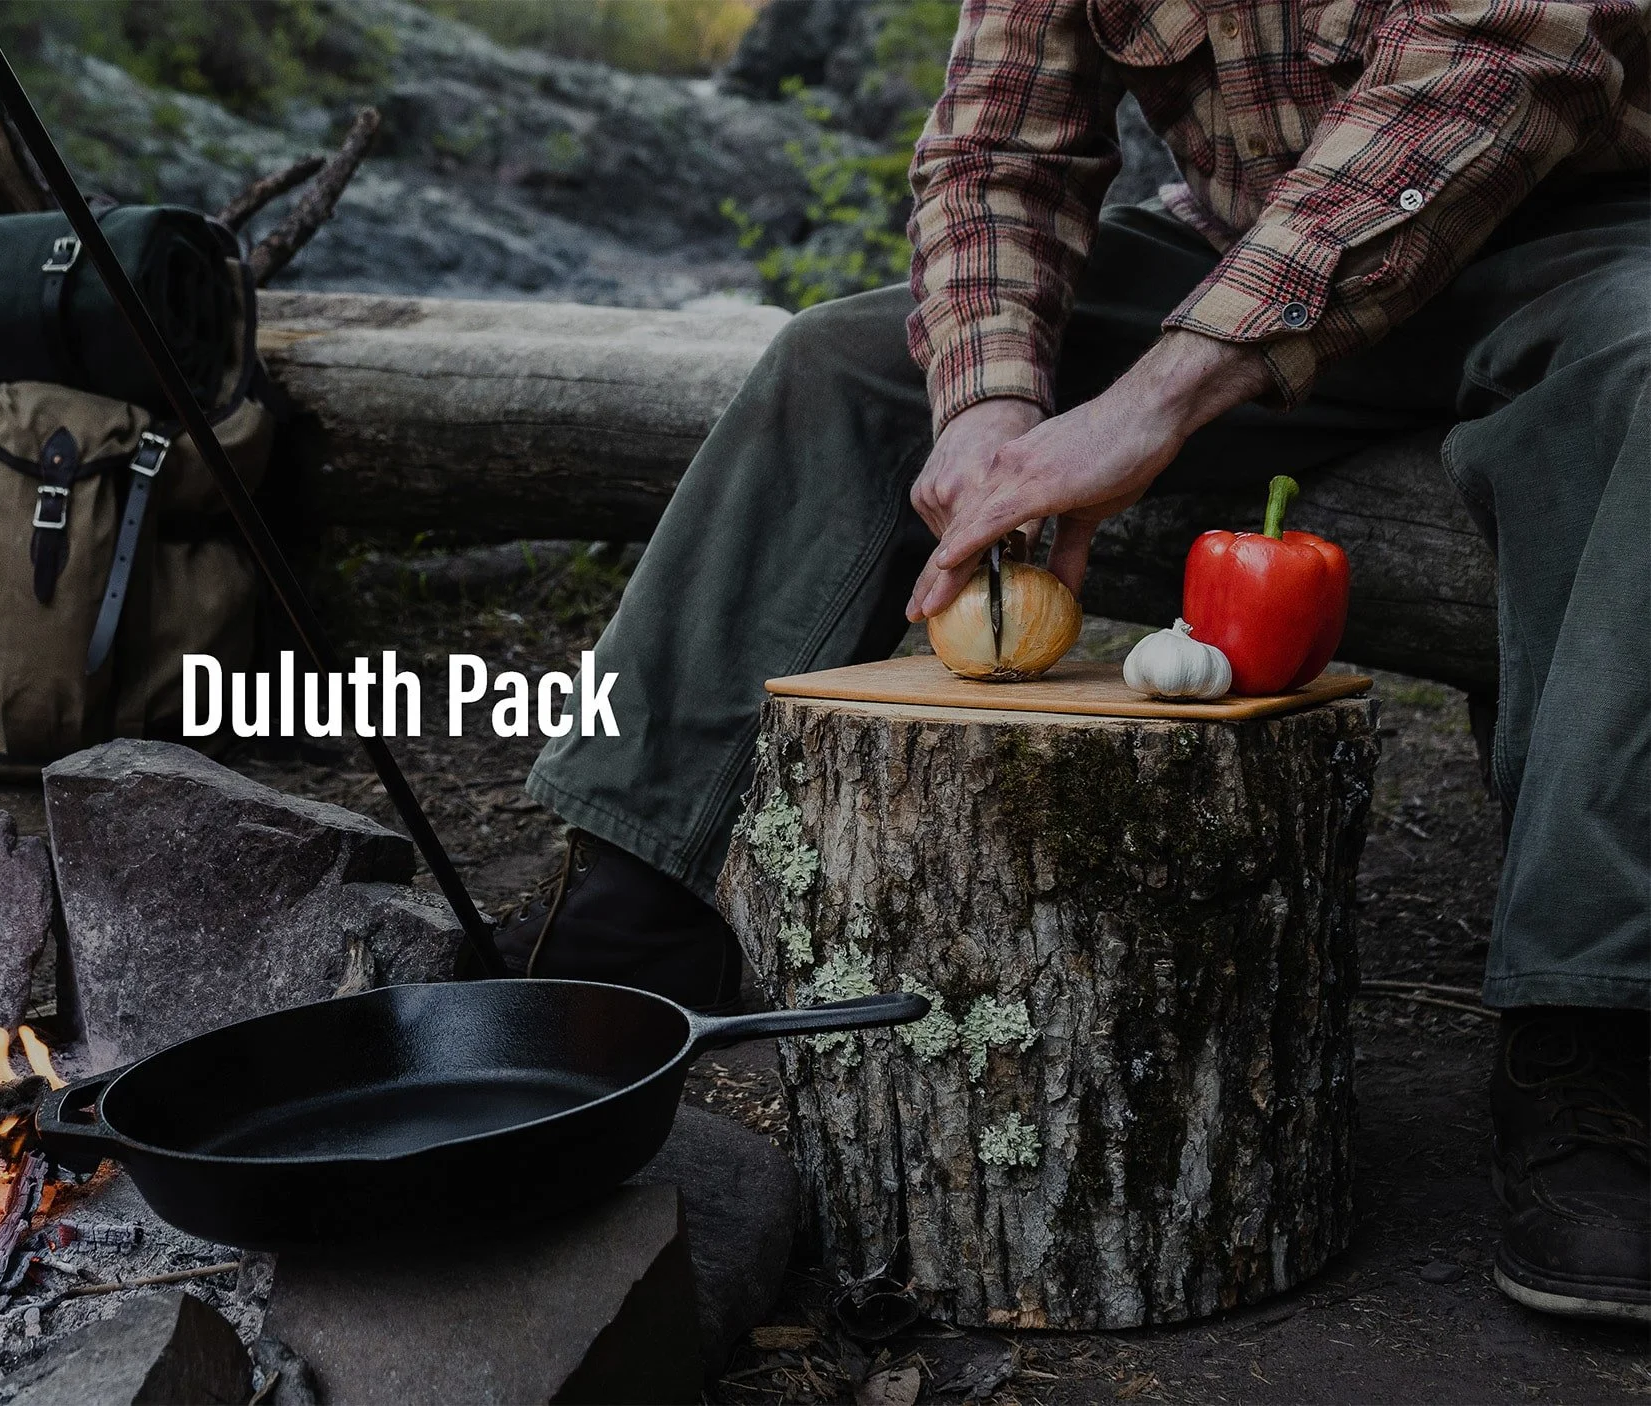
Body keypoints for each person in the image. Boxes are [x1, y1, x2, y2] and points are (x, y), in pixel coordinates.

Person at [500, 0, 1649, 1326]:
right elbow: (999, 144)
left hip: (1583, 248)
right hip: (1239, 254)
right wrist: (991, 401)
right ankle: (626, 918)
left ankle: (1596, 1034)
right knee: (840, 365)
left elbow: (1503, 70)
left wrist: (1149, 406)